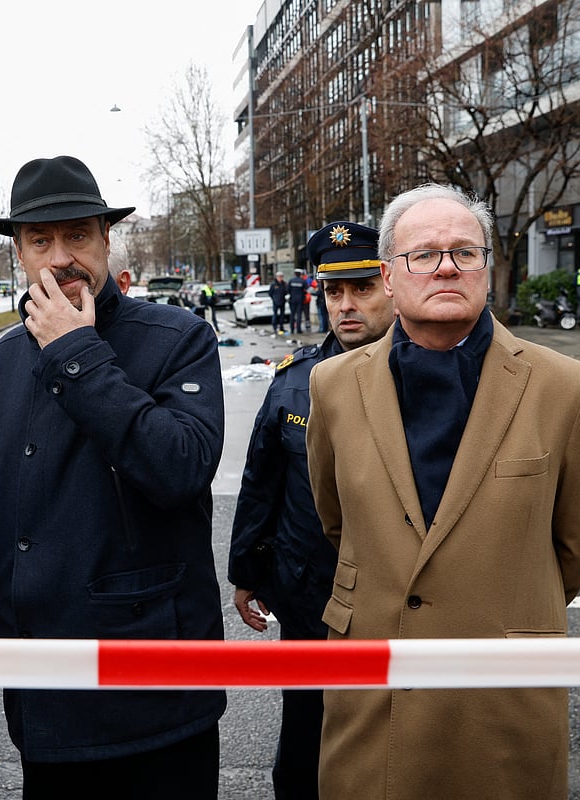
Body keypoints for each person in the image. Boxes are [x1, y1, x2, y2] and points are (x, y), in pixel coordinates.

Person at [305, 183, 580, 800]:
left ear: (486, 270)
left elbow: (576, 545)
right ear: (389, 276)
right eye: (424, 254)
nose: (447, 265)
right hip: (376, 688)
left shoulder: (566, 388)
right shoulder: (332, 386)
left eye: (465, 252)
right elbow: (340, 522)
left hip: (502, 694)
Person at [0, 155, 226, 798]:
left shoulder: (177, 338)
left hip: (152, 694)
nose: (61, 257)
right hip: (44, 691)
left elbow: (180, 468)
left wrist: (74, 352)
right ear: (17, 253)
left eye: (78, 235)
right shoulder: (1, 359)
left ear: (107, 240)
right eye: (40, 240)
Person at [229, 221, 393, 800]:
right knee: (304, 739)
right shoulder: (293, 380)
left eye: (362, 289)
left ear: (391, 284)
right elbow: (260, 481)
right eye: (332, 293)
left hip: (395, 597)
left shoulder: (426, 373)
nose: (346, 306)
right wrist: (245, 572)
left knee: (392, 739)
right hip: (309, 595)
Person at [287, 268, 308, 334]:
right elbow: (306, 290)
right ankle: (298, 329)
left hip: (292, 299)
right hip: (300, 300)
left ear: (295, 274)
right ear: (300, 274)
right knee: (299, 315)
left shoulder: (291, 280)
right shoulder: (302, 281)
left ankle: (292, 329)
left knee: (292, 315)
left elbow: (288, 290)